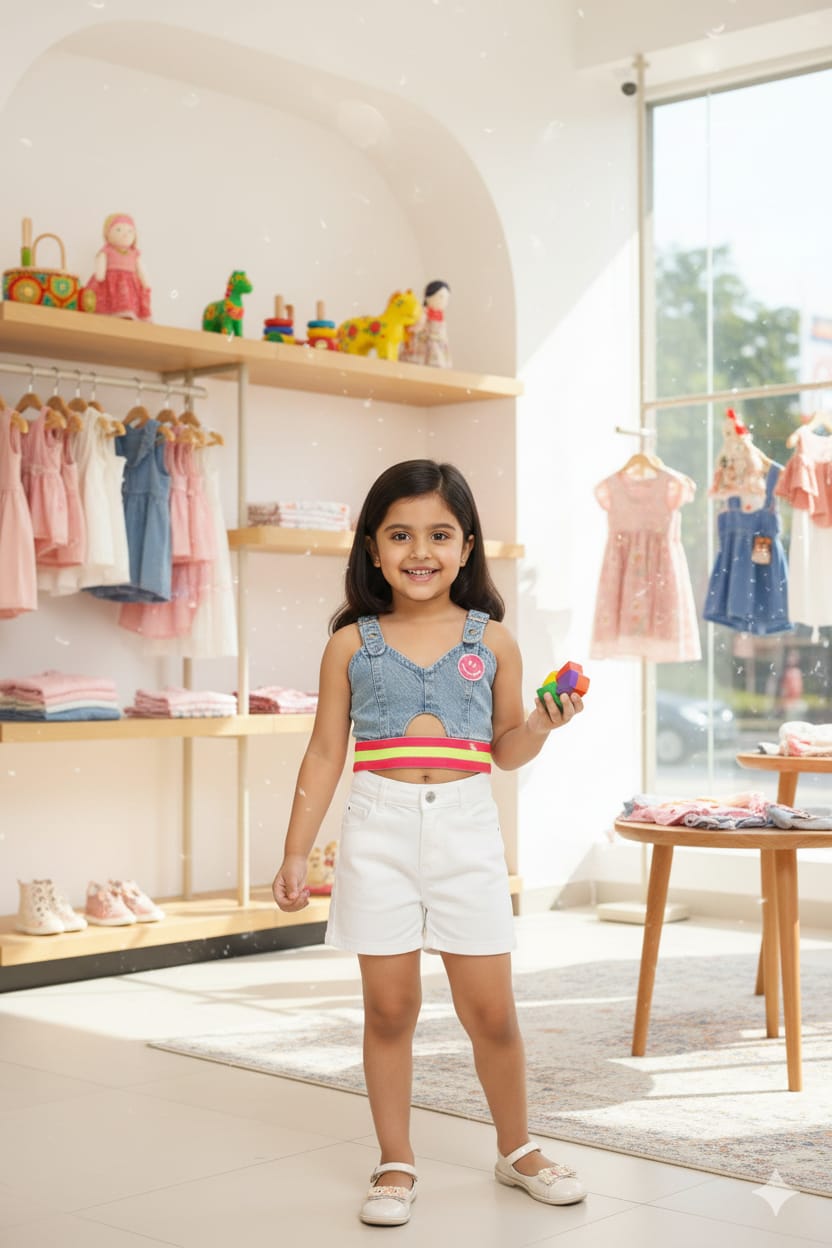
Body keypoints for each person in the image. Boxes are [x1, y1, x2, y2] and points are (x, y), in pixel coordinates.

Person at [272, 459, 587, 1227]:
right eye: (401, 534)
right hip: (376, 832)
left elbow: (505, 750)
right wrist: (293, 851)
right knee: (389, 1010)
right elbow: (323, 753)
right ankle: (395, 1159)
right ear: (372, 549)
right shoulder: (352, 644)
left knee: (493, 1013)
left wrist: (543, 724)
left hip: (466, 832)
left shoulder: (497, 642)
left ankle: (517, 1150)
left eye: (439, 534)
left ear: (469, 546)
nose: (421, 551)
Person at [85, 213, 152, 321]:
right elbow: (100, 273)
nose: (125, 234)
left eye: (130, 231)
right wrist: (100, 276)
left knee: (127, 303)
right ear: (108, 233)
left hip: (130, 286)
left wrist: (145, 284)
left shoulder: (134, 253)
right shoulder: (106, 251)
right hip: (110, 283)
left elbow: (141, 270)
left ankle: (128, 314)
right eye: (119, 230)